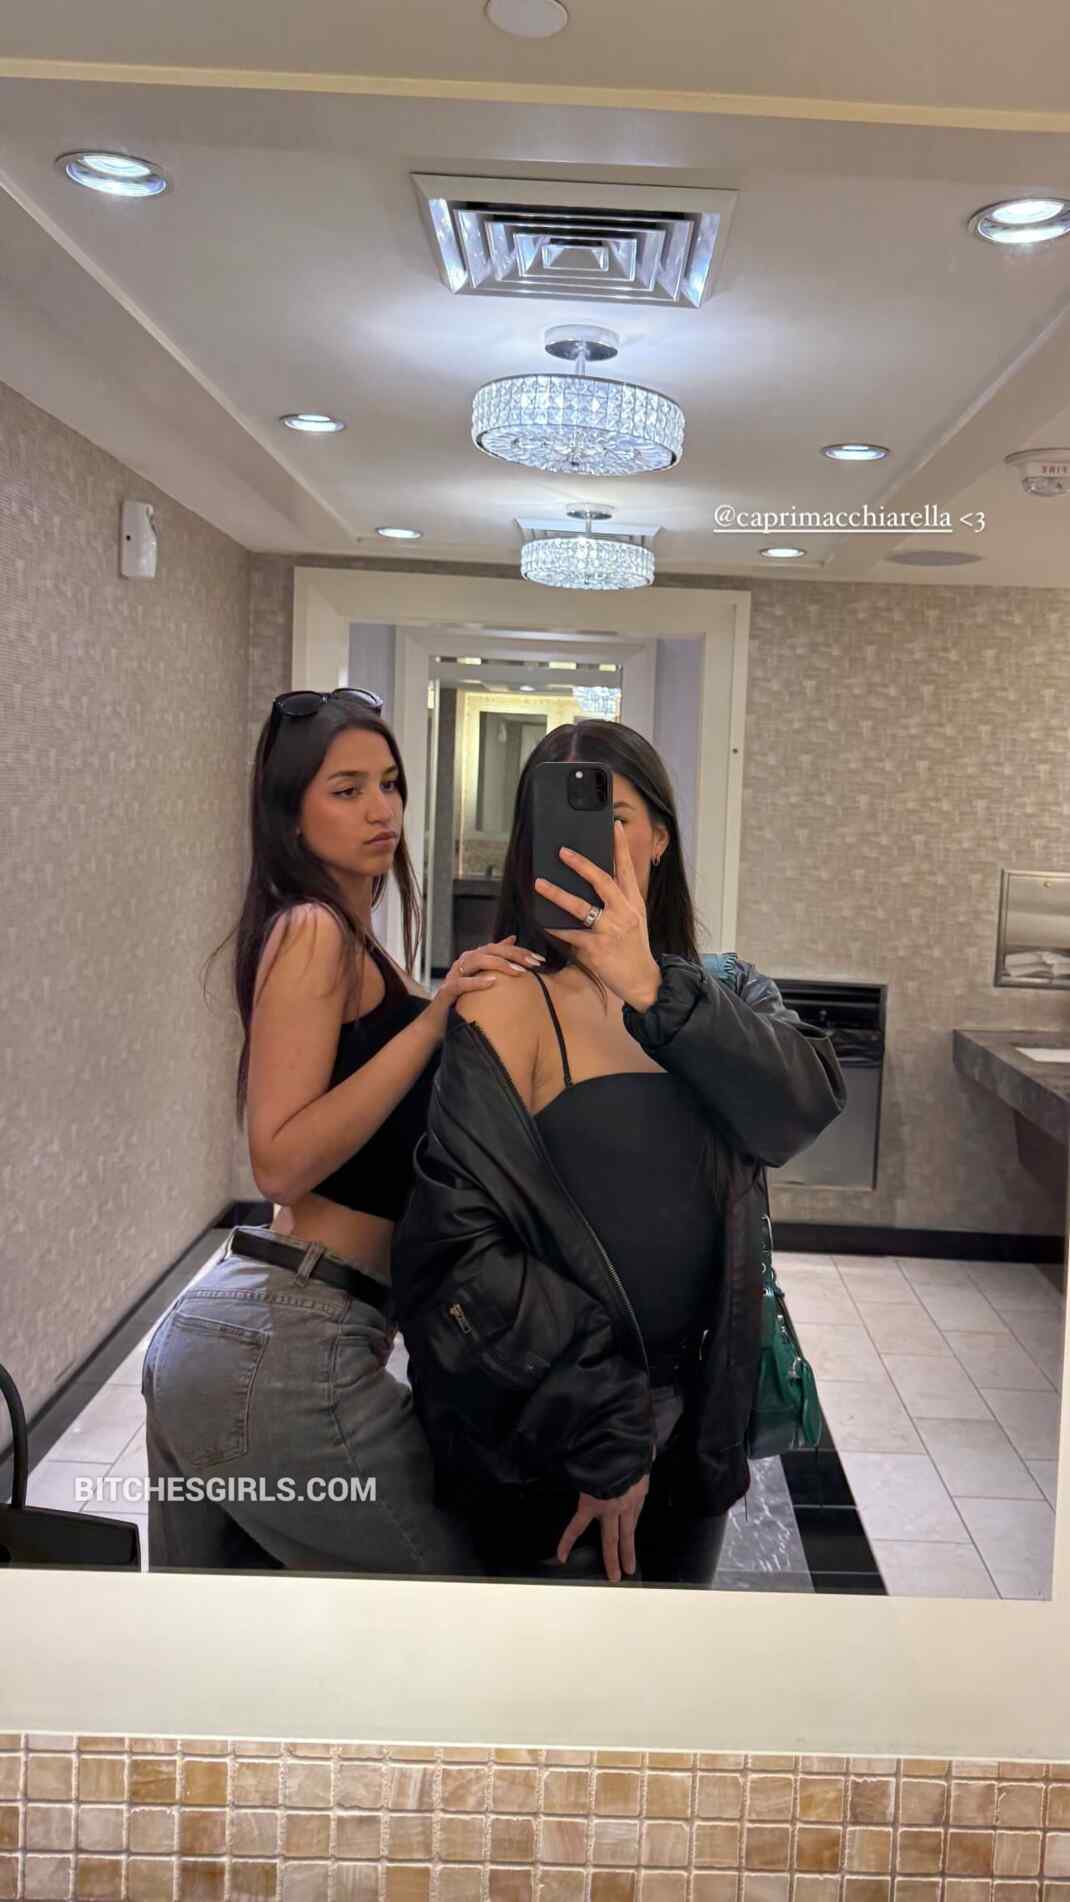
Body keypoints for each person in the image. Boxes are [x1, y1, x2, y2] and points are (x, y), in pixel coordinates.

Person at [392, 720, 846, 1587]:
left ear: (661, 839)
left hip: (699, 1428)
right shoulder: (505, 1001)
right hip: (552, 1429)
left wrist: (649, 985)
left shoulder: (728, 992)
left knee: (671, 1662)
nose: (589, 844)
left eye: (617, 816)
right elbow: (456, 1255)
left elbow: (797, 1112)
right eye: (564, 820)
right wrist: (607, 1430)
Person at [142, 686, 539, 1573]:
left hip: (260, 1333)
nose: (380, 810)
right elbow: (280, 1163)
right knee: (449, 1594)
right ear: (291, 815)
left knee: (217, 1633)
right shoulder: (313, 930)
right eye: (347, 789)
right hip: (284, 1339)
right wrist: (432, 1023)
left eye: (389, 784)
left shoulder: (358, 944)